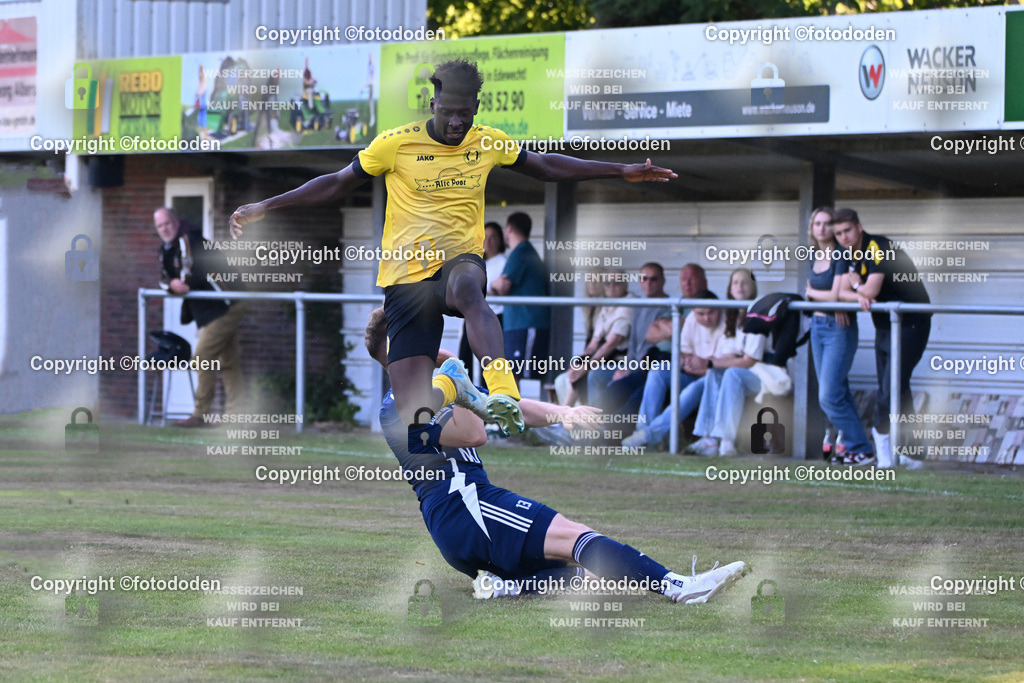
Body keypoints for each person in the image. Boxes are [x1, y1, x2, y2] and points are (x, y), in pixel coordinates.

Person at [229, 59, 676, 439]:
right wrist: (268, 205)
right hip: (405, 278)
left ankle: (502, 388)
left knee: (468, 290)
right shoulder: (396, 143)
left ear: (475, 108)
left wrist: (620, 169)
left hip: (457, 261)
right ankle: (460, 389)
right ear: (432, 105)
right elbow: (336, 183)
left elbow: (545, 164)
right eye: (448, 113)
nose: (457, 122)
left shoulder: (487, 141)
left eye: (465, 113)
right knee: (416, 417)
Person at [364, 307, 747, 603]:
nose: (430, 335)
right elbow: (475, 432)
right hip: (468, 508)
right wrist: (451, 368)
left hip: (456, 525)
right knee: (579, 537)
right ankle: (681, 587)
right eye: (419, 332)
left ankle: (504, 587)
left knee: (591, 573)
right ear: (401, 345)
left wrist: (564, 413)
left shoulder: (428, 388)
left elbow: (501, 407)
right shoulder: (402, 403)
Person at [835, 208, 931, 468]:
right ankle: (913, 453)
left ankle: (880, 432)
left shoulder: (878, 246)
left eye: (847, 230)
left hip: (912, 321)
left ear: (859, 227)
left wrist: (857, 287)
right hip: (886, 325)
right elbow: (840, 292)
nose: (844, 237)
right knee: (899, 386)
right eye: (839, 233)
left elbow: (871, 290)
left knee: (891, 385)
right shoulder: (846, 254)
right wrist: (858, 291)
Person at [154, 208, 245, 427]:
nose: (164, 229)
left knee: (202, 356)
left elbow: (186, 279)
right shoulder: (167, 248)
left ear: (176, 222)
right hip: (212, 309)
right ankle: (237, 416)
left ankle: (200, 414)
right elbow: (165, 278)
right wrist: (170, 284)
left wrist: (176, 285)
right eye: (159, 226)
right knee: (229, 361)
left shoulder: (188, 240)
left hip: (227, 303)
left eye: (167, 223)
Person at [687, 269, 791, 457]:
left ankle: (727, 441)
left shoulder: (759, 312)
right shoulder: (732, 314)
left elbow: (749, 361)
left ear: (753, 287)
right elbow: (728, 354)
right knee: (715, 373)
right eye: (735, 282)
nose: (740, 287)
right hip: (745, 371)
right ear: (730, 287)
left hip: (765, 376)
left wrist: (709, 363)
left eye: (745, 282)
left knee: (731, 373)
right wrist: (708, 363)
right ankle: (708, 438)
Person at [803, 207, 875, 466]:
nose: (822, 228)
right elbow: (813, 293)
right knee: (839, 392)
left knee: (828, 395)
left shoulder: (841, 255)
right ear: (811, 228)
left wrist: (813, 294)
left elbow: (835, 295)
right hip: (818, 327)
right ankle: (853, 448)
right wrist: (816, 296)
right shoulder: (812, 255)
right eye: (817, 224)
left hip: (838, 328)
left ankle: (861, 447)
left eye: (826, 224)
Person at [587, 262, 671, 420]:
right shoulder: (638, 305)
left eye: (653, 279)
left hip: (646, 370)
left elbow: (657, 351)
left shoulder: (668, 307)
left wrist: (629, 370)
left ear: (662, 281)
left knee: (618, 389)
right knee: (596, 374)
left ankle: (593, 427)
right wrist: (626, 367)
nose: (648, 283)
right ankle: (590, 427)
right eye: (644, 279)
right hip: (631, 365)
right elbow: (633, 345)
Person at [636, 286, 721, 437]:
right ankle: (641, 429)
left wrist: (700, 365)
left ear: (719, 309)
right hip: (693, 372)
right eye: (701, 314)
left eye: (711, 312)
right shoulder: (690, 319)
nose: (706, 318)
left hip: (713, 379)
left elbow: (721, 367)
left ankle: (648, 435)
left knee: (695, 387)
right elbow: (684, 356)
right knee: (658, 370)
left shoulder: (726, 324)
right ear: (693, 311)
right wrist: (696, 365)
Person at [639, 264, 710, 420]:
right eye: (684, 279)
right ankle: (640, 432)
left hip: (683, 365)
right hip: (657, 357)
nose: (687, 283)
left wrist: (666, 325)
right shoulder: (677, 303)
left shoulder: (708, 303)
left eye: (692, 279)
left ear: (704, 281)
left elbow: (676, 328)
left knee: (639, 387)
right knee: (641, 378)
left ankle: (643, 435)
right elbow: (650, 333)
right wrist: (673, 326)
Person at [489, 213, 550, 383]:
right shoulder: (523, 251)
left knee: (515, 376)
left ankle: (519, 410)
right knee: (512, 375)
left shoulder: (521, 252)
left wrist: (493, 285)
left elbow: (502, 286)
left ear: (508, 229)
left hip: (526, 323)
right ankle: (515, 409)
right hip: (519, 324)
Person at [559, 271, 631, 406]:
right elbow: (594, 343)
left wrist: (586, 367)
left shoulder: (628, 304)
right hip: (606, 358)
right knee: (568, 376)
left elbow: (612, 343)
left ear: (625, 285)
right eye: (607, 283)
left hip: (622, 360)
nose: (611, 286)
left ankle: (586, 421)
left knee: (591, 374)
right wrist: (580, 361)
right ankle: (570, 418)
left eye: (616, 283)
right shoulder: (607, 304)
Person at [459, 221, 506, 372]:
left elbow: (500, 289)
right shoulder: (478, 262)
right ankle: (466, 391)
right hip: (473, 314)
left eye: (493, 237)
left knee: (491, 359)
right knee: (465, 356)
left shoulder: (504, 262)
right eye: (485, 237)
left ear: (500, 240)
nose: (488, 241)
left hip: (494, 316)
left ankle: (490, 393)